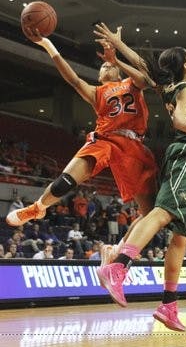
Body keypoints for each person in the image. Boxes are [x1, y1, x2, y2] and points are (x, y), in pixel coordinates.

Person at [94, 29, 186, 331]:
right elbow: (180, 120)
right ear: (184, 65)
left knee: (181, 237)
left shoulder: (168, 86)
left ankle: (168, 305)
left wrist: (117, 45)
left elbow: (144, 65)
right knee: (161, 213)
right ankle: (118, 266)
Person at [6, 28, 157, 238]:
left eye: (108, 64)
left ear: (118, 71)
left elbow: (146, 79)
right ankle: (38, 207)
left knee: (150, 213)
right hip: (105, 140)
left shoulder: (131, 83)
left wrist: (116, 59)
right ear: (99, 75)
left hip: (133, 147)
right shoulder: (97, 92)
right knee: (63, 183)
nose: (106, 66)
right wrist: (47, 45)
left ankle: (122, 254)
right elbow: (73, 79)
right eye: (102, 66)